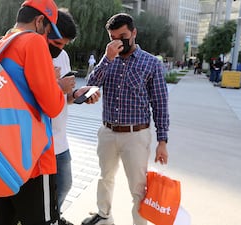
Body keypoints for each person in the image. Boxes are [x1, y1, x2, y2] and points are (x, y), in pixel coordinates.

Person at [80, 13, 169, 225]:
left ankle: (140, 223)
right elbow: (90, 86)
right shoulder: (108, 60)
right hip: (108, 131)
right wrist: (107, 59)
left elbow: (160, 104)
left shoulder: (151, 64)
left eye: (124, 36)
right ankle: (104, 216)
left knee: (138, 187)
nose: (119, 41)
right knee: (105, 178)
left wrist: (162, 142)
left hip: (136, 135)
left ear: (134, 32)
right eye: (114, 37)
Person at [0, 0, 65, 224]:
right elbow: (52, 106)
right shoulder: (33, 42)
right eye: (48, 30)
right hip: (35, 158)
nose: (47, 38)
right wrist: (58, 86)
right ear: (40, 21)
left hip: (4, 156)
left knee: (3, 218)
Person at [49, 9, 77, 225]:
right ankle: (49, 218)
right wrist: (57, 85)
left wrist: (77, 95)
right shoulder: (32, 53)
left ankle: (54, 216)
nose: (59, 50)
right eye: (57, 43)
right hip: (41, 140)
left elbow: (66, 97)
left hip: (60, 137)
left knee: (65, 184)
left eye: (64, 45)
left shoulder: (62, 56)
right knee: (45, 191)